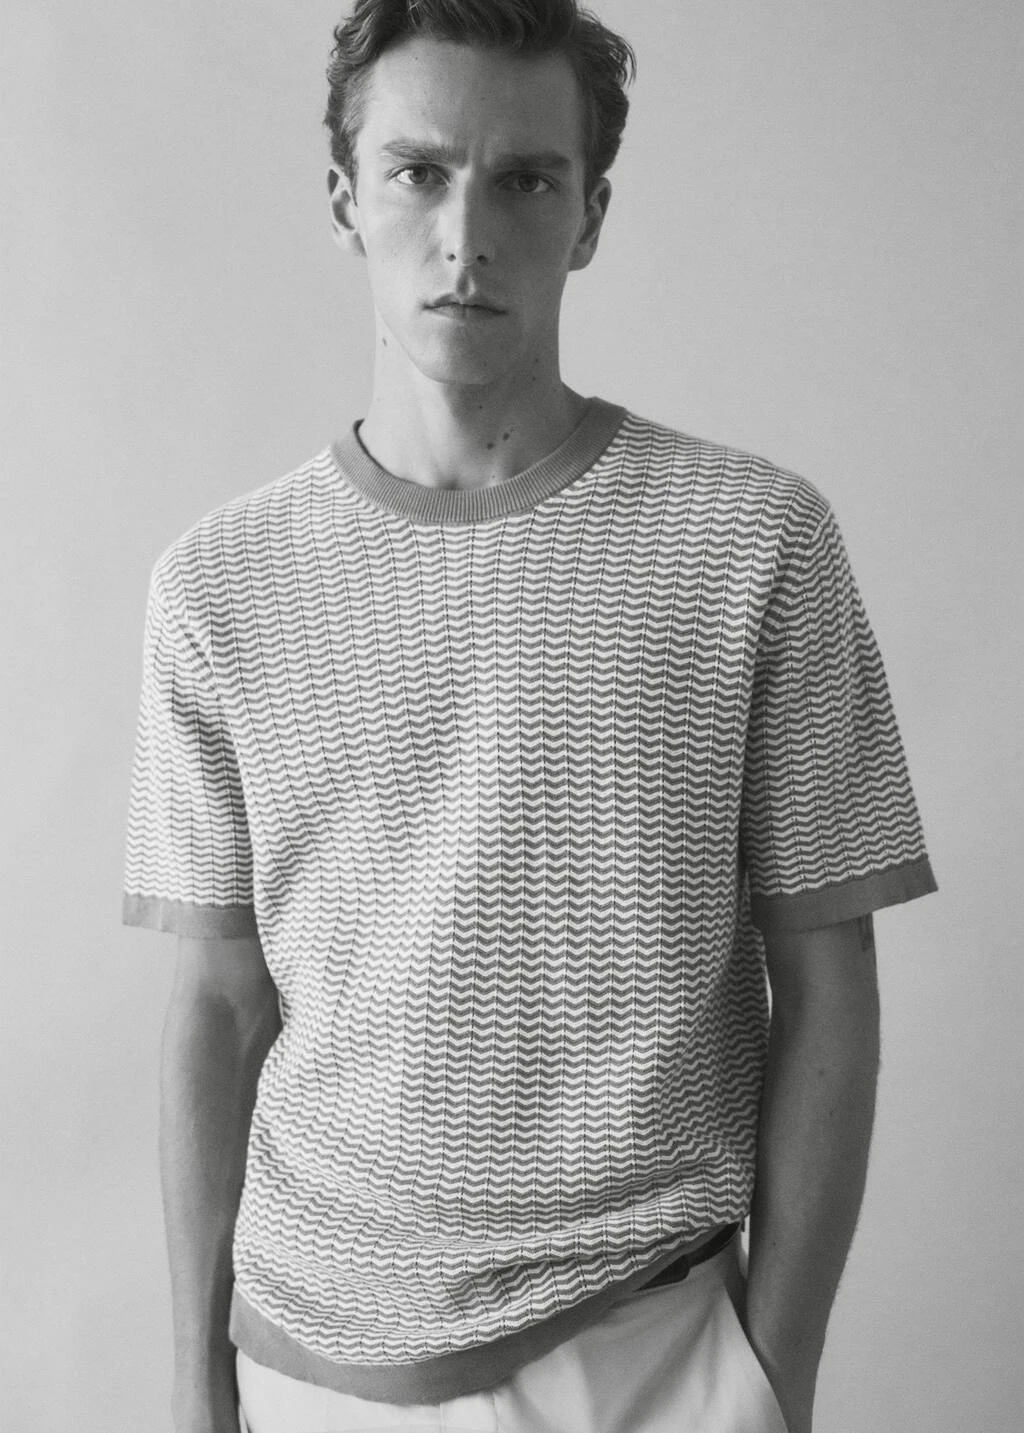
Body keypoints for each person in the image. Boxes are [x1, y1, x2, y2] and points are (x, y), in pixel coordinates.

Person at [121, 3, 938, 1431]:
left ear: (590, 214)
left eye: (524, 180)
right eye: (418, 173)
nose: (466, 235)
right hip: (314, 1364)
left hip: (657, 1343)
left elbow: (830, 980)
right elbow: (217, 1005)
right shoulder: (218, 583)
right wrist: (196, 1389)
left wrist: (773, 1374)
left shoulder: (754, 541)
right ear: (345, 199)